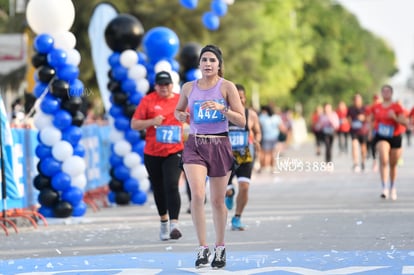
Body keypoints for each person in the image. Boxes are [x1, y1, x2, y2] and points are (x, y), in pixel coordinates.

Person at [174, 44, 245, 269]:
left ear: (219, 65)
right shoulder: (188, 87)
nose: (207, 64)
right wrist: (181, 115)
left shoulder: (227, 87)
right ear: (199, 64)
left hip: (219, 143)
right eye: (204, 60)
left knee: (217, 200)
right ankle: (202, 247)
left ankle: (220, 247)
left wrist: (221, 108)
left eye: (212, 60)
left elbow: (241, 121)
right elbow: (178, 111)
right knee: (197, 195)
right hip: (195, 143)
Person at [131, 71, 184, 241]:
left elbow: (193, 118)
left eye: (167, 84)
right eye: (160, 84)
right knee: (159, 188)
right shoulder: (148, 100)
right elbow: (134, 124)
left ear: (171, 85)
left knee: (172, 184)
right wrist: (152, 122)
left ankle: (175, 224)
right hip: (152, 152)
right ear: (155, 86)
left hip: (174, 151)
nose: (164, 87)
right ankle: (163, 221)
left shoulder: (179, 100)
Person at [224, 84, 261, 231]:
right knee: (227, 189)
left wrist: (257, 140)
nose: (239, 100)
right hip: (226, 156)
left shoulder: (250, 114)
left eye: (242, 97)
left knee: (244, 188)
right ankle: (229, 192)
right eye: (236, 98)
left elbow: (257, 131)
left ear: (245, 98)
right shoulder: (223, 114)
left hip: (245, 154)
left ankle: (237, 218)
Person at [367, 84, 408, 200]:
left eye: (388, 91)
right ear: (381, 93)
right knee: (384, 159)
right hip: (381, 136)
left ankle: (392, 186)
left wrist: (394, 117)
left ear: (391, 93)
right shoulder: (376, 107)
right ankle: (384, 187)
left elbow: (405, 122)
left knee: (393, 164)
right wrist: (370, 131)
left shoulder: (396, 107)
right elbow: (371, 120)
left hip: (395, 136)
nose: (385, 93)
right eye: (383, 91)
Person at [258, 104, 285, 173]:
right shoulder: (276, 117)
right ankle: (272, 167)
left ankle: (264, 167)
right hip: (275, 137)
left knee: (266, 153)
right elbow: (281, 127)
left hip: (266, 137)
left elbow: (258, 127)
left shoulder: (262, 117)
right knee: (273, 153)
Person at [347, 93, 369, 172]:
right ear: (353, 100)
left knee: (363, 148)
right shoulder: (350, 109)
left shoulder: (365, 108)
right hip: (354, 131)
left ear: (361, 100)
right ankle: (356, 163)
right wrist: (349, 122)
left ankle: (363, 161)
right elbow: (348, 118)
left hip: (363, 131)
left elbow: (369, 118)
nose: (357, 101)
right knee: (354, 145)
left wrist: (364, 118)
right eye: (355, 99)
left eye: (358, 99)